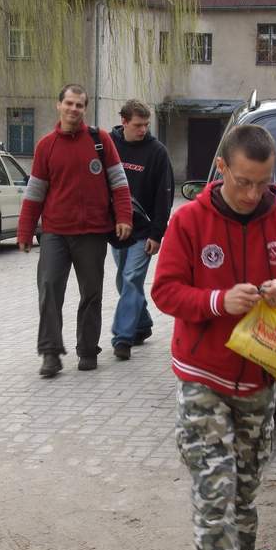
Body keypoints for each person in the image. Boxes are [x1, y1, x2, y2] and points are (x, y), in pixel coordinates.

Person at [151, 125, 276, 550]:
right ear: (221, 167)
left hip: (259, 382)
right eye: (243, 181)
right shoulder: (189, 221)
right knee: (214, 494)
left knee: (243, 498)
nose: (252, 193)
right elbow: (164, 291)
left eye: (262, 183)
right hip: (202, 379)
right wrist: (216, 301)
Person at [17, 83, 132, 378]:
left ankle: (88, 350)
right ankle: (50, 353)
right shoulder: (46, 146)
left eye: (79, 105)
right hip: (55, 232)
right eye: (69, 103)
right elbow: (35, 193)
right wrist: (25, 231)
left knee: (91, 293)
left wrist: (124, 217)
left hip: (93, 232)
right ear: (59, 105)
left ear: (85, 109)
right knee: (49, 290)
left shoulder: (100, 140)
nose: (73, 109)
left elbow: (119, 184)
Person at [109, 99, 174, 360]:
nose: (143, 130)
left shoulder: (157, 152)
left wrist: (157, 234)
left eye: (146, 125)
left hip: (144, 231)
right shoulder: (110, 146)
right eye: (138, 125)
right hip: (116, 229)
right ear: (124, 122)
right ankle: (142, 322)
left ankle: (122, 338)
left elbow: (164, 196)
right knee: (123, 281)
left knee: (131, 278)